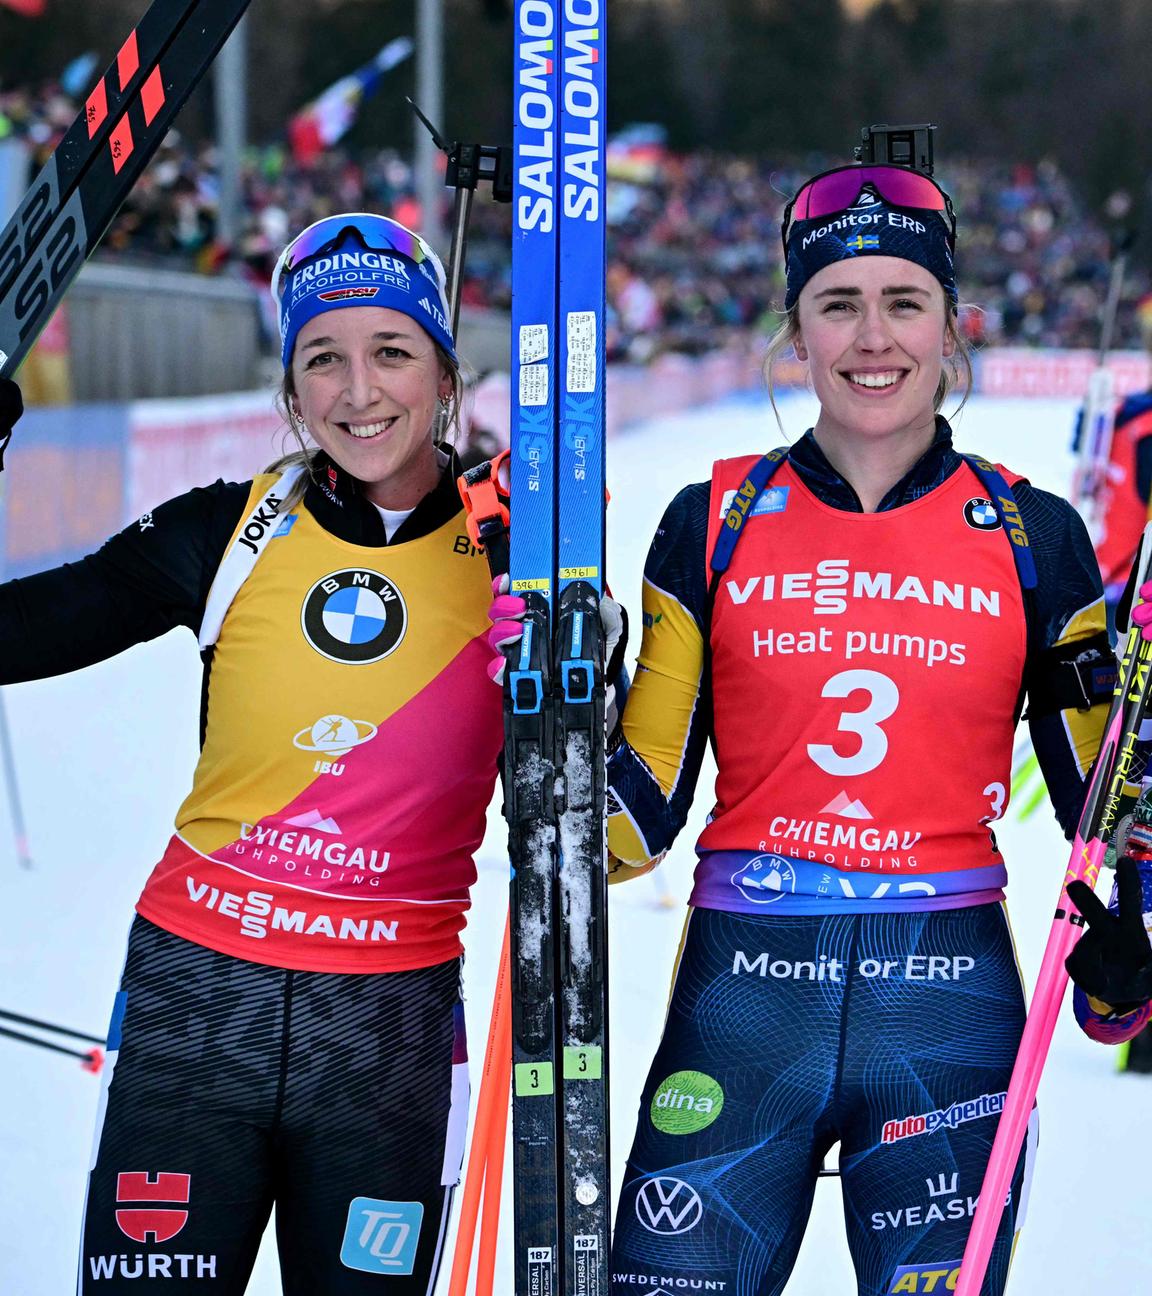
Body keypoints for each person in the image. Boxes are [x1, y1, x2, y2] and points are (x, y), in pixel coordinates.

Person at [595, 163, 1116, 1296]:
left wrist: (1133, 943)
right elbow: (626, 831)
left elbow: (1103, 812)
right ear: (795, 328)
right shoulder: (716, 521)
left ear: (951, 323)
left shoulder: (1033, 535)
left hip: (946, 1008)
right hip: (744, 1003)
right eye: (838, 302)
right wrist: (553, 724)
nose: (871, 337)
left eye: (903, 301)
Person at [0, 213, 502, 1293]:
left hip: (386, 1022)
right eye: (324, 358)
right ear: (290, 392)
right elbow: (25, 630)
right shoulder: (226, 530)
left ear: (447, 375)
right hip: (196, 994)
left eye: (392, 353)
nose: (359, 391)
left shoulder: (513, 547)